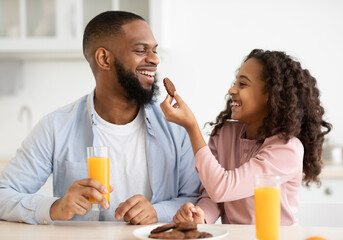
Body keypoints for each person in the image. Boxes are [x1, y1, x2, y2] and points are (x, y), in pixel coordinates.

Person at [0, 11, 200, 225]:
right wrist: (55, 207)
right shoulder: (55, 127)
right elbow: (3, 194)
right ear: (104, 58)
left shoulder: (175, 126)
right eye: (141, 50)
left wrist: (156, 212)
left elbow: (195, 199)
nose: (154, 59)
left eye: (154, 50)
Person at [160, 49, 332, 225]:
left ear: (271, 95)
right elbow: (212, 194)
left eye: (242, 84)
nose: (232, 89)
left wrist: (191, 126)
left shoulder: (287, 149)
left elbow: (222, 187)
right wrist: (201, 216)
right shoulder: (224, 134)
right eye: (235, 82)